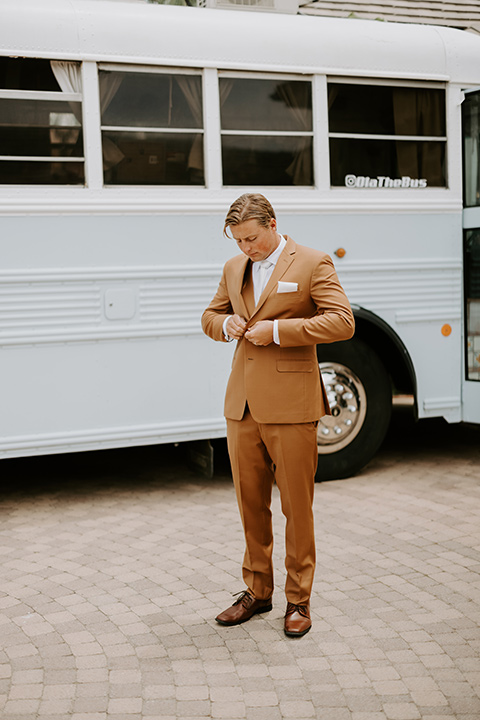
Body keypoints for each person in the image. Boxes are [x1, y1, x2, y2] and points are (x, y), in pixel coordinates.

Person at [201, 194, 354, 637]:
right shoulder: (234, 267)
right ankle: (257, 592)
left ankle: (299, 601)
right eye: (238, 240)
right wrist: (223, 325)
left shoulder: (312, 262)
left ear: (272, 223)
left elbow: (342, 321)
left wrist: (280, 332)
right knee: (251, 506)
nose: (245, 247)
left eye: (251, 238)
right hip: (242, 406)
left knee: (295, 509)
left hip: (292, 406)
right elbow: (210, 315)